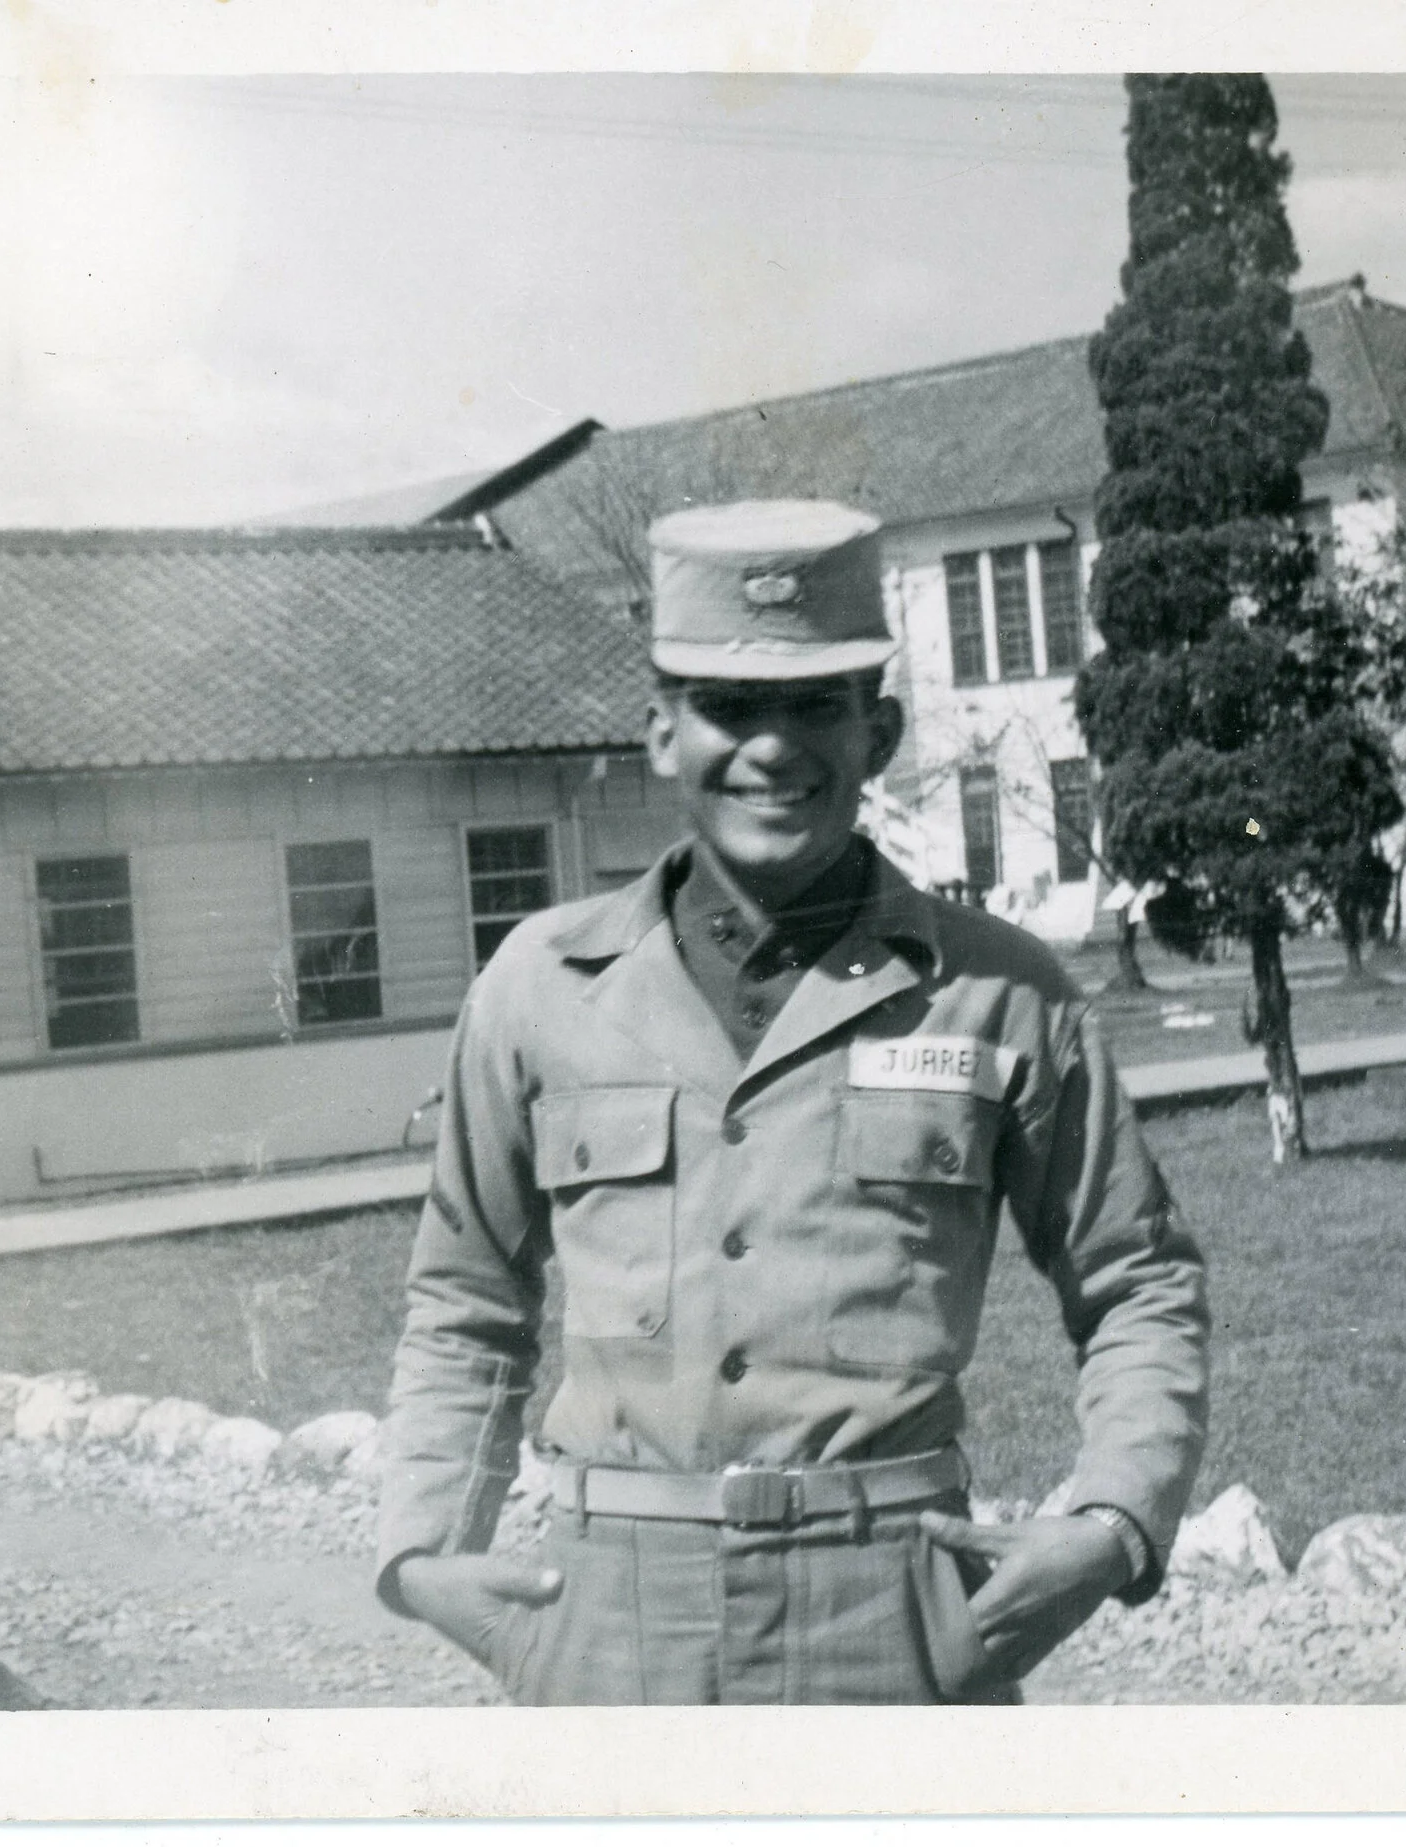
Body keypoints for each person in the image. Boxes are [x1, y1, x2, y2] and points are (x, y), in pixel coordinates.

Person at [374, 499, 1210, 1705]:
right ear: (661, 731)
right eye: (729, 705)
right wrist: (422, 1545)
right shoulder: (538, 986)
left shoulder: (998, 992)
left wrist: (1114, 1519)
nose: (772, 749)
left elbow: (1137, 1278)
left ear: (880, 733)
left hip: (897, 1604)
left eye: (816, 705)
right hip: (609, 1609)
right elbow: (464, 1299)